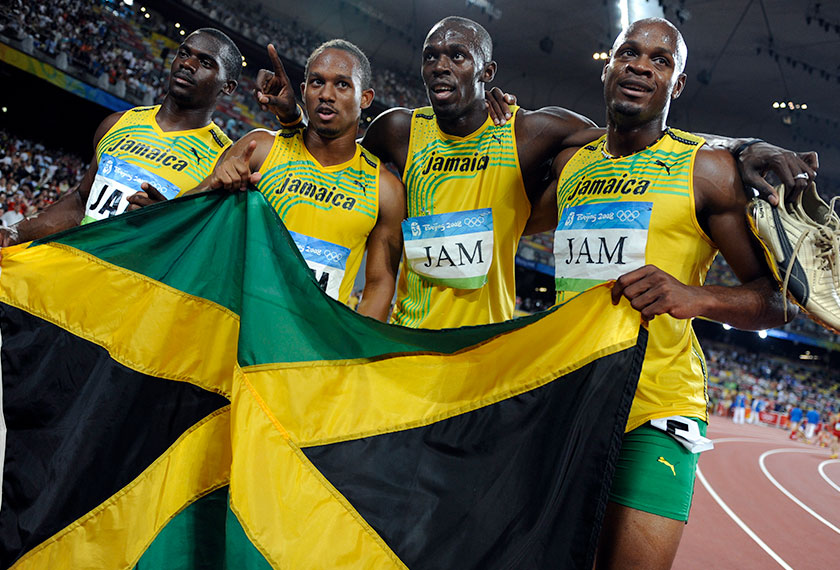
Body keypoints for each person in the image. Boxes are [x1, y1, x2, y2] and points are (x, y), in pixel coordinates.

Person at [263, 16, 816, 329]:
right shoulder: (396, 130)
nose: (440, 65)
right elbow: (333, 152)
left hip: (490, 343)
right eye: (432, 56)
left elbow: (634, 134)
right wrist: (291, 115)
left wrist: (738, 146)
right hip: (405, 332)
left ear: (488, 70)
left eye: (458, 56)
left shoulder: (535, 131)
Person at [527, 18, 791, 568]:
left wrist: (695, 297)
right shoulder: (573, 165)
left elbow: (777, 301)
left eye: (660, 60)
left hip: (656, 407)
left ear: (678, 84)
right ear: (609, 65)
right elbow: (509, 218)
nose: (641, 65)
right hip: (565, 397)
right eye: (629, 52)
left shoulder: (708, 171)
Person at [185, 40, 405, 322]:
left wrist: (353, 354)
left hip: (311, 347)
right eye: (316, 82)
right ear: (303, 91)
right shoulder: (259, 149)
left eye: (342, 85)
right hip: (233, 330)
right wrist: (214, 185)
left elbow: (378, 285)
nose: (327, 94)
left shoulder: (385, 189)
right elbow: (187, 213)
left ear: (365, 98)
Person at [0, 28, 241, 248]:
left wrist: (169, 223)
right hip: (72, 270)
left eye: (206, 62)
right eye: (184, 53)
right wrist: (16, 232)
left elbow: (212, 248)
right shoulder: (117, 123)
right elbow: (80, 203)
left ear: (228, 87)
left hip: (135, 288)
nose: (188, 64)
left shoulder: (225, 159)